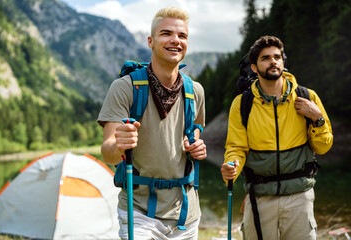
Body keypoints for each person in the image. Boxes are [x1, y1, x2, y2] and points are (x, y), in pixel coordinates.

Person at [97, 7, 206, 240]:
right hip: (139, 211)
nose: (175, 40)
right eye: (166, 33)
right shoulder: (125, 87)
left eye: (182, 36)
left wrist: (197, 147)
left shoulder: (195, 91)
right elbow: (108, 153)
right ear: (150, 41)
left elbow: (194, 133)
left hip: (186, 214)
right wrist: (119, 145)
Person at [221, 36, 333, 240]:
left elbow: (323, 147)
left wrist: (317, 118)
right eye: (266, 58)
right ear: (254, 68)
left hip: (300, 197)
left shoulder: (307, 97)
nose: (273, 61)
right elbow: (236, 147)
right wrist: (232, 165)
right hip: (260, 198)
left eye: (277, 57)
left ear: (283, 62)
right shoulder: (242, 103)